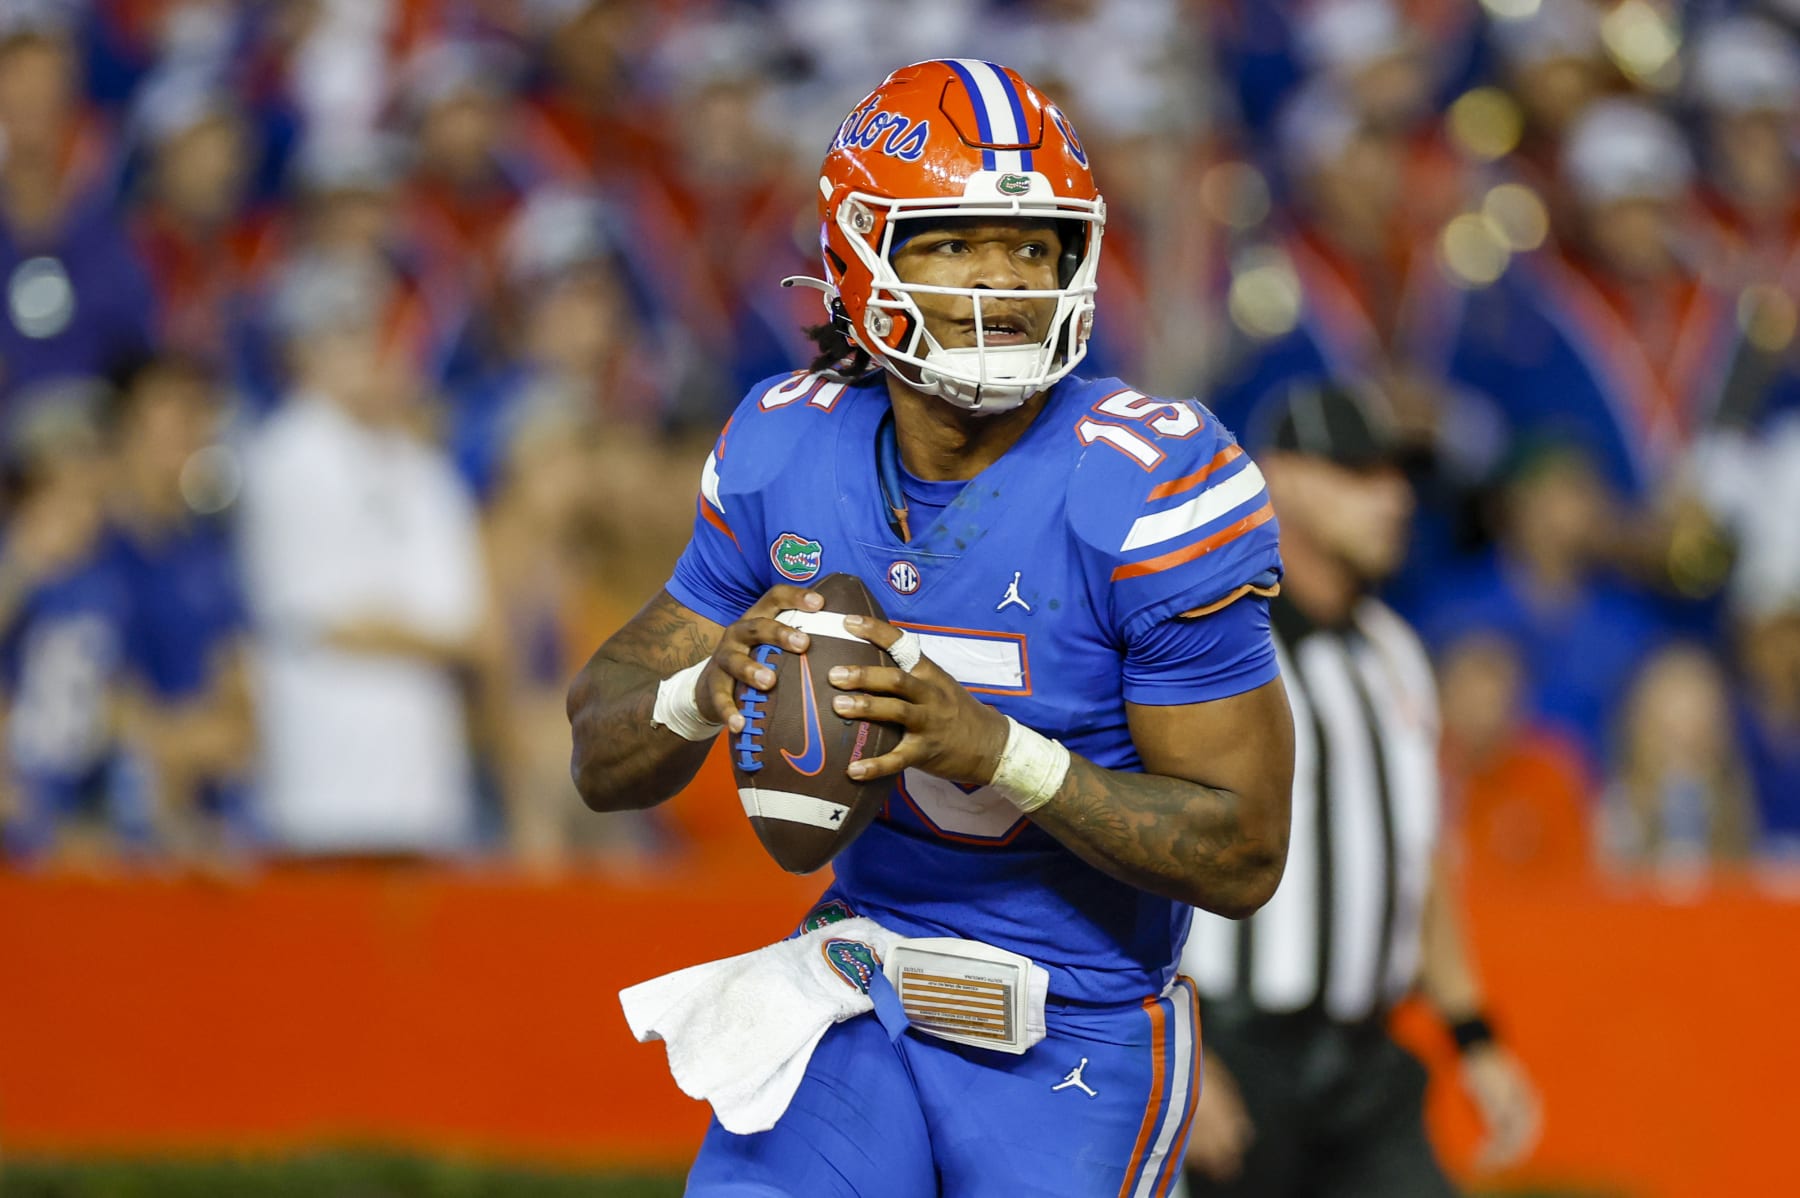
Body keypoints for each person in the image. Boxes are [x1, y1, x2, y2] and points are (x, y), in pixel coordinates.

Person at [568, 60, 1296, 1197]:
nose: (1004, 280)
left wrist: (997, 751)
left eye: (1033, 246)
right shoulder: (785, 445)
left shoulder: (1148, 485)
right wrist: (699, 690)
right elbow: (599, 750)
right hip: (860, 986)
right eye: (954, 242)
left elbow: (1245, 850)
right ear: (860, 255)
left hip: (1075, 1028)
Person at [1178, 382, 1539, 1198]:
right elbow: (1130, 855)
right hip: (1236, 1050)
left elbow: (1417, 858)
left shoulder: (1393, 652)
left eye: (1397, 476)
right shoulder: (1206, 644)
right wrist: (1173, 1053)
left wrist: (1473, 1035)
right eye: (1359, 474)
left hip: (1367, 1064)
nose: (1395, 498)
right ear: (1280, 478)